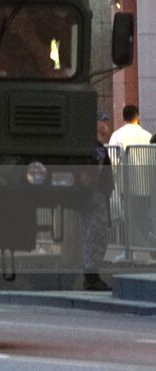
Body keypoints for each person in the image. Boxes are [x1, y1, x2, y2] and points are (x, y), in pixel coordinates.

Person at [82, 114, 115, 291]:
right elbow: (94, 172)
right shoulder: (96, 147)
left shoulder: (95, 146)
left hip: (95, 195)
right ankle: (91, 277)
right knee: (96, 235)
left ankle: (92, 275)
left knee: (95, 235)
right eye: (103, 123)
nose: (106, 126)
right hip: (95, 196)